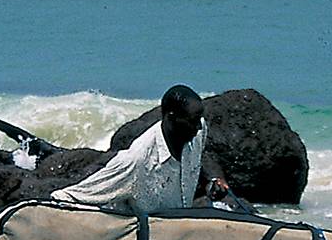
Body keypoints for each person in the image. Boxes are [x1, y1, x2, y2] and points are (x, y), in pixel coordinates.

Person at [51, 84, 228, 214]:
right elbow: (70, 196)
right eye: (193, 120)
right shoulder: (136, 161)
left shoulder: (197, 129)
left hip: (178, 239)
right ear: (171, 118)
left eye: (199, 119)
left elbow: (198, 156)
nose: (198, 126)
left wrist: (210, 181)